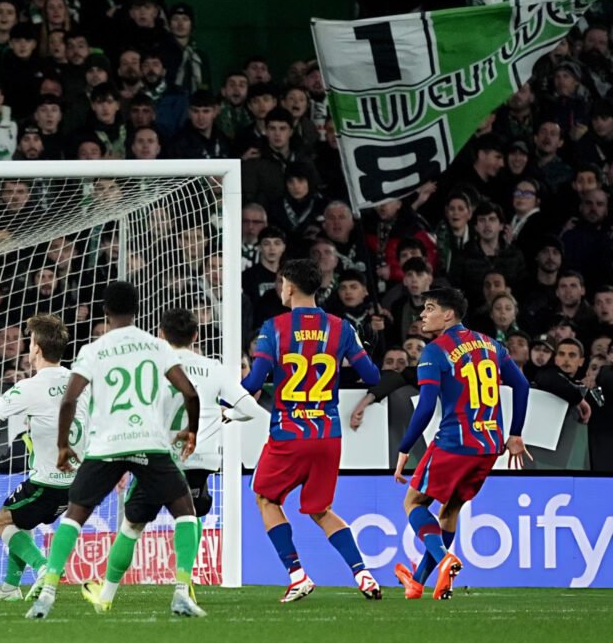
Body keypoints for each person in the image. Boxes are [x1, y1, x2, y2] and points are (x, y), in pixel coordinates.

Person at [25, 281, 205, 619]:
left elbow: (70, 399)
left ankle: (47, 592)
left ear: (105, 311)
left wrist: (63, 446)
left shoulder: (94, 350)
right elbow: (191, 393)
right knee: (185, 512)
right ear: (137, 309)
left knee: (75, 515)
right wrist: (191, 430)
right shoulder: (156, 346)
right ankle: (181, 591)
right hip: (150, 442)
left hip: (106, 444)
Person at [80, 307, 265, 612]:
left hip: (160, 458)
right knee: (188, 518)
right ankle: (182, 588)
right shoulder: (215, 368)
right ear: (196, 335)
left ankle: (107, 596)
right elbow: (248, 409)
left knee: (132, 526)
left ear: (161, 335)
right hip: (202, 460)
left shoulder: (151, 367)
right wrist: (225, 414)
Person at [236, 259, 383, 602]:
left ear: (288, 285)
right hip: (328, 434)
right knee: (320, 509)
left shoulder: (273, 328)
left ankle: (297, 574)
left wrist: (228, 397)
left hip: (289, 433)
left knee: (265, 497)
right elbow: (373, 376)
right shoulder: (342, 328)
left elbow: (255, 382)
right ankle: (363, 575)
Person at [393, 287, 530, 600]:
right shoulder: (491, 344)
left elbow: (426, 407)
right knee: (450, 510)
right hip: (490, 444)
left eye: (429, 308)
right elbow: (521, 384)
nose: (422, 315)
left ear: (449, 314)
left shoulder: (435, 351)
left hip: (455, 442)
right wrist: (516, 433)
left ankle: (444, 559)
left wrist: (404, 448)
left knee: (413, 503)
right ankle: (418, 582)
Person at [0, 314, 88, 602]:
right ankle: (11, 587)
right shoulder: (82, 382)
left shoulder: (30, 386)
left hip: (46, 482)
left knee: (2, 522)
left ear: (36, 348)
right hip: (77, 483)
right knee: (21, 525)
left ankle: (44, 568)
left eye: (29, 342)